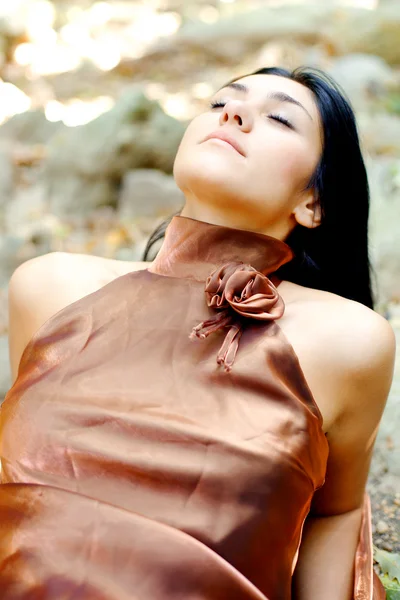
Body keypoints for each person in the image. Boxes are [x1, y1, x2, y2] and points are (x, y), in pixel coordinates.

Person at [0, 66, 396, 599]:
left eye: (279, 117)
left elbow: (336, 515)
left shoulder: (346, 338)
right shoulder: (49, 288)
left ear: (314, 203)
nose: (232, 114)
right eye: (219, 103)